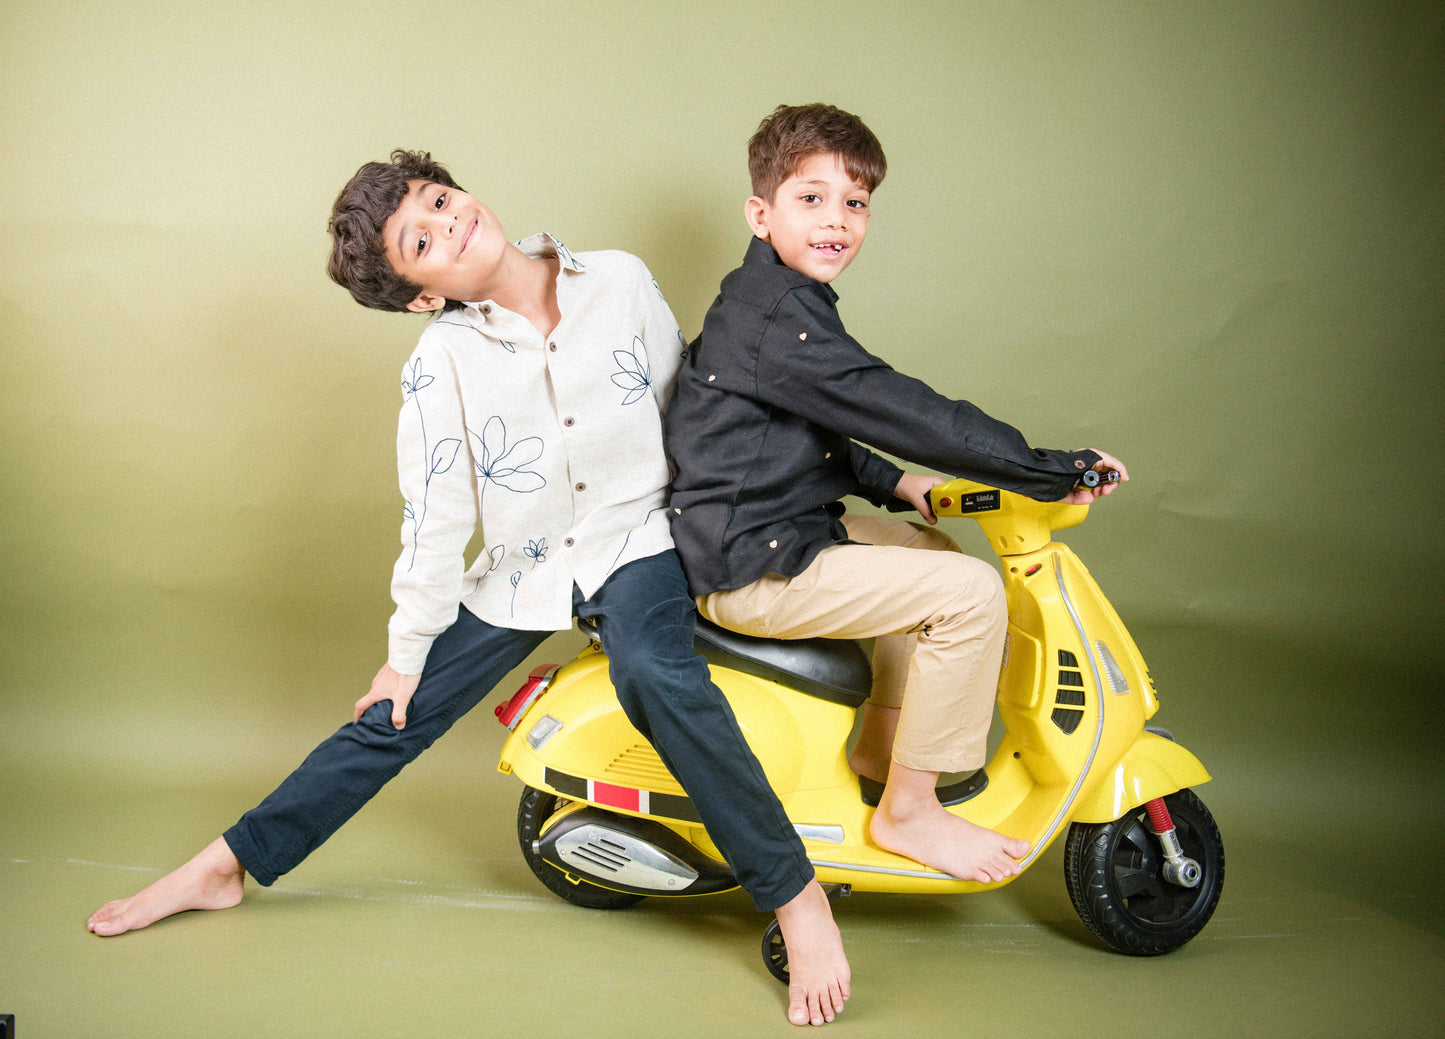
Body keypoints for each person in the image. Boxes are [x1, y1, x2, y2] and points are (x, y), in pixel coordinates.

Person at [87, 150, 850, 1027]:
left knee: (655, 672)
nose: (450, 222)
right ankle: (227, 863)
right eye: (423, 236)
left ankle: (794, 896)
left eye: (440, 200)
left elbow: (699, 413)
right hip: (525, 569)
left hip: (640, 538)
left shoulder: (621, 281)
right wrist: (403, 658)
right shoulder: (437, 363)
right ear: (419, 293)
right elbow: (435, 519)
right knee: (392, 713)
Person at [665, 104, 1128, 885]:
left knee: (927, 550)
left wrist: (901, 484)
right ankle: (908, 811)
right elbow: (897, 406)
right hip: (753, 567)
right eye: (810, 198)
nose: (836, 221)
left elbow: (806, 421)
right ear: (760, 211)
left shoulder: (770, 297)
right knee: (970, 594)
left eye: (855, 203)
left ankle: (885, 752)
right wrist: (1052, 470)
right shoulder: (776, 315)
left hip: (769, 528)